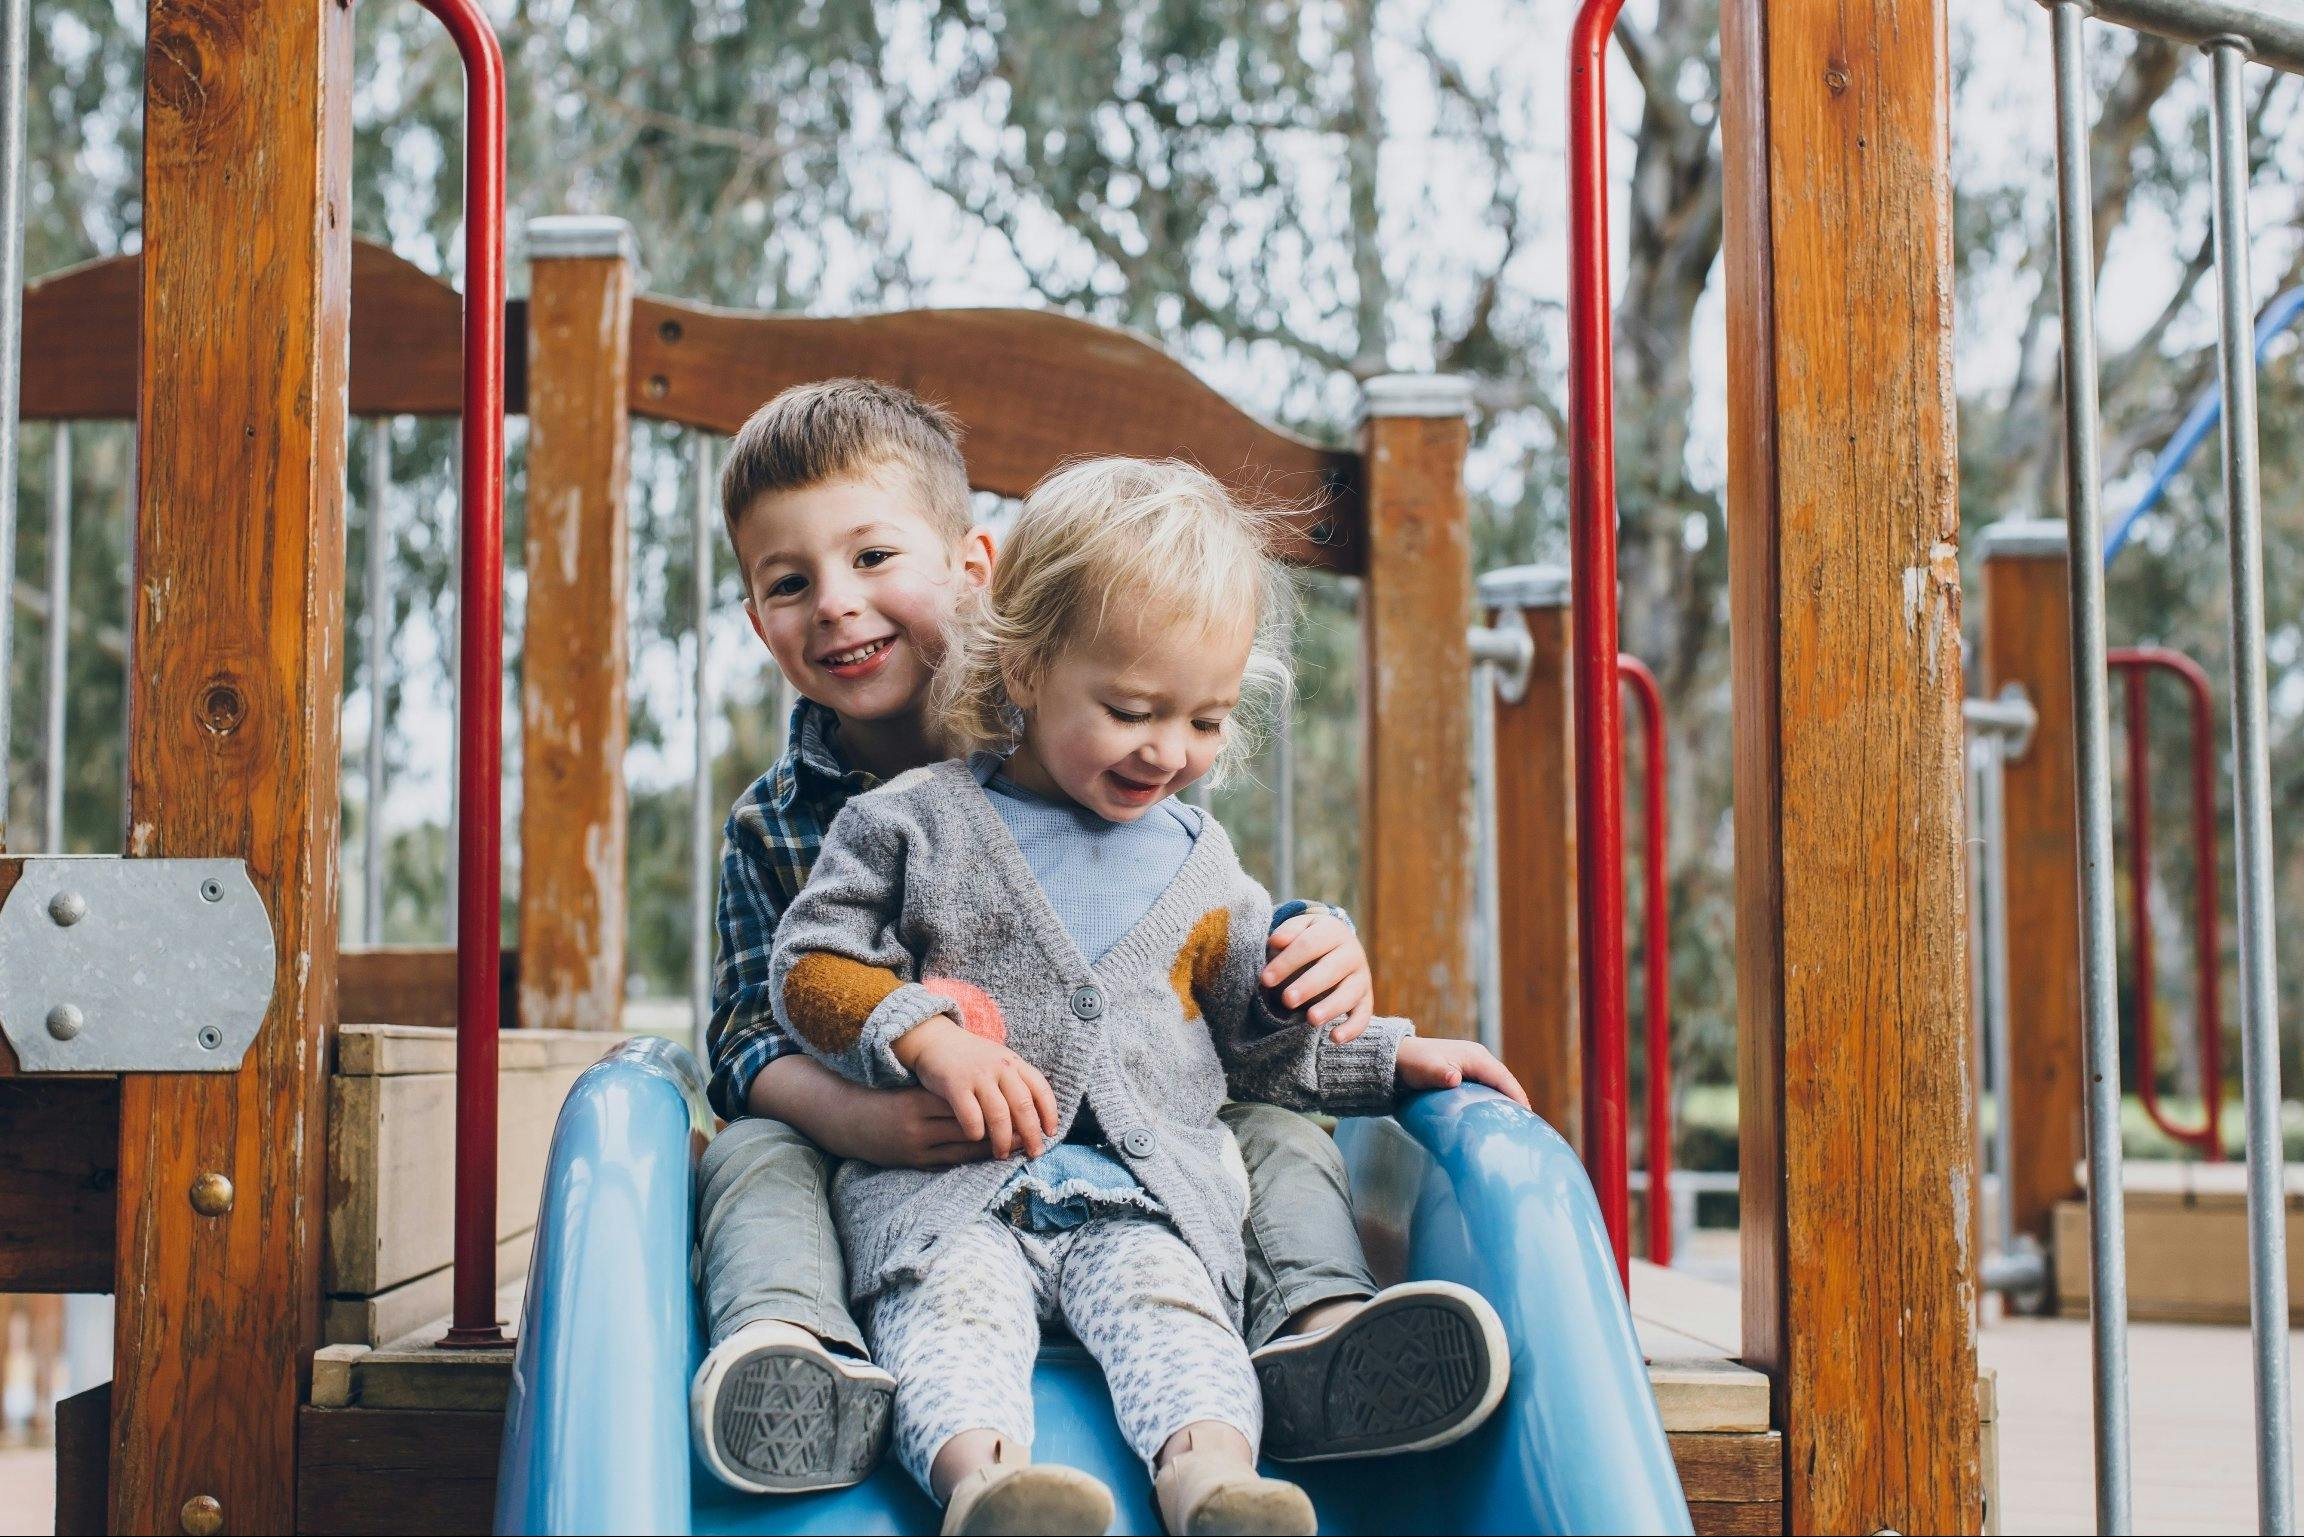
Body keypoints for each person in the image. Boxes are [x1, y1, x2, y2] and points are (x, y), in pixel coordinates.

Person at [691, 381, 1513, 1500]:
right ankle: (802, 1358)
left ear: (978, 575)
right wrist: (872, 1114)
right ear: (757, 616)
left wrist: (1317, 963)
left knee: (1269, 1125)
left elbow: (1202, 951)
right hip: (898, 1171)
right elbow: (749, 1030)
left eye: (875, 557)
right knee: (748, 1152)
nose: (836, 604)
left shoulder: (1107, 739)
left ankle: (1316, 1335)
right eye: (791, 583)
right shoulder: (786, 820)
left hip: (1132, 1165)